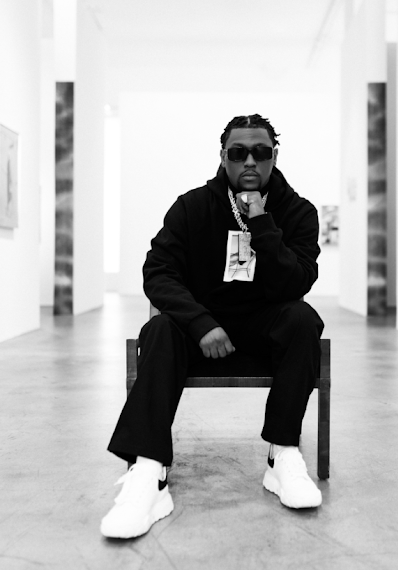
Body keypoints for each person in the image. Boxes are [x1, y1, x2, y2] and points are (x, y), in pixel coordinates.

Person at [101, 114, 324, 539]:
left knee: (302, 319)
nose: (249, 162)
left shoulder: (298, 212)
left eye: (260, 152)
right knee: (159, 330)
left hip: (263, 328)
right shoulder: (192, 207)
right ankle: (148, 472)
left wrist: (262, 223)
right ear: (223, 157)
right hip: (200, 330)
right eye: (238, 153)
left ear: (274, 156)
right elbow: (158, 272)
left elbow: (296, 283)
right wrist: (200, 323)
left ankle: (283, 455)